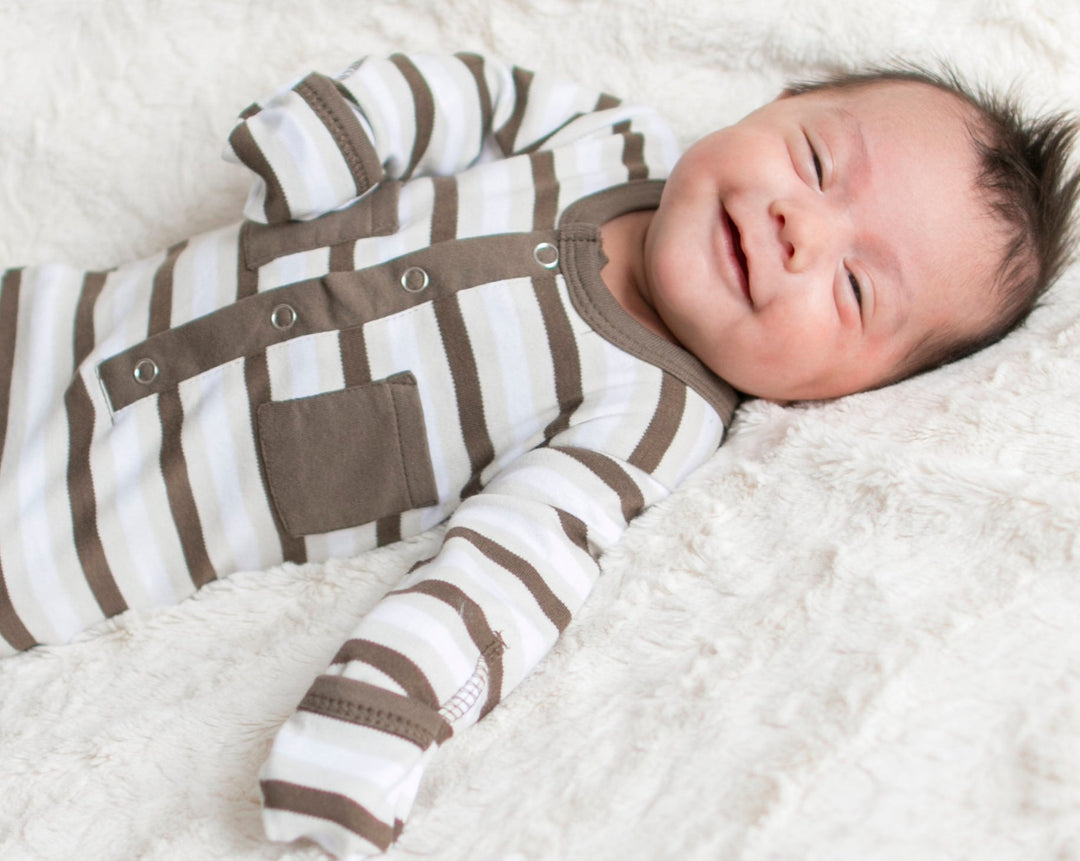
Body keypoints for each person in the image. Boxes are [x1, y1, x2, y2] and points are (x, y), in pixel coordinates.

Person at [0, 52, 1076, 858]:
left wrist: (382, 724)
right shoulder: (607, 139)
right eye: (815, 160)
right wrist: (347, 129)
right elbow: (468, 97)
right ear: (769, 108)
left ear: (850, 395)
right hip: (47, 322)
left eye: (853, 288)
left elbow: (506, 576)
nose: (804, 230)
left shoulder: (646, 420)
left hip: (64, 530)